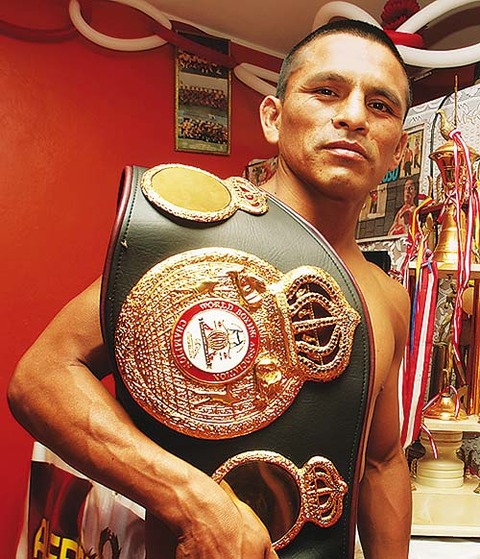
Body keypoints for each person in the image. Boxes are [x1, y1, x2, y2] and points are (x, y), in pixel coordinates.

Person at [8, 19, 412, 559]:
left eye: (380, 105)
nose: (354, 116)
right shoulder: (199, 234)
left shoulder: (389, 297)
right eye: (326, 91)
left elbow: (382, 462)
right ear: (273, 118)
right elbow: (40, 378)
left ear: (397, 148)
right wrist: (193, 502)